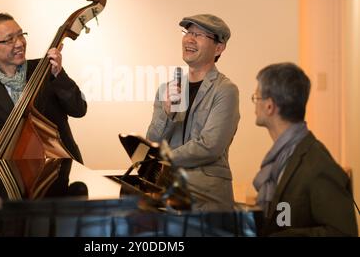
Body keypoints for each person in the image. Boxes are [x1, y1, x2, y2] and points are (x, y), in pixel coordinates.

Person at [0, 13, 87, 174]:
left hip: (66, 175)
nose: (20, 43)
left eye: (21, 35)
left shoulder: (47, 70)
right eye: (9, 40)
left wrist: (59, 74)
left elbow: (79, 109)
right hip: (20, 183)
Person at [252, 62, 358, 236]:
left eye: (256, 98)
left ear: (269, 106)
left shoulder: (317, 164)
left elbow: (343, 233)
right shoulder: (284, 156)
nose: (255, 105)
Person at [147, 14, 240, 211]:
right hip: (168, 194)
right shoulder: (167, 89)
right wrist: (166, 112)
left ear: (219, 48)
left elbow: (210, 146)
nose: (189, 39)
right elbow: (152, 141)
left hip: (206, 199)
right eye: (187, 32)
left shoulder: (225, 90)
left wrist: (161, 159)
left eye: (198, 35)